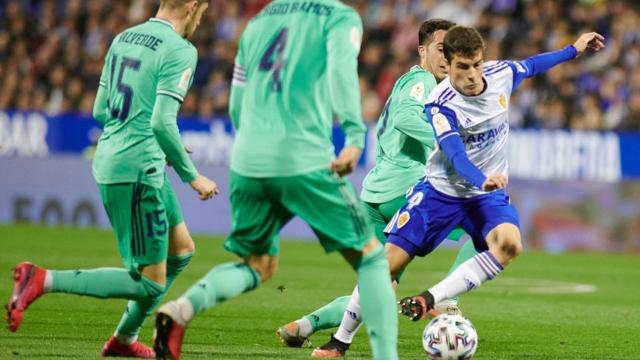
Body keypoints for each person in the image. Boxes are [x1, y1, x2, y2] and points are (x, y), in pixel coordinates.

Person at [153, 1, 398, 360]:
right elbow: (342, 73)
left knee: (257, 265)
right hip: (304, 157)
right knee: (372, 259)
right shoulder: (338, 17)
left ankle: (182, 310)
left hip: (248, 160)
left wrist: (258, 145)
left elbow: (237, 104)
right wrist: (354, 135)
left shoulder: (257, 23)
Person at [5, 1, 217, 358]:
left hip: (123, 156)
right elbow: (162, 122)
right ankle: (41, 279)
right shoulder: (181, 50)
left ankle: (124, 338)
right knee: (150, 283)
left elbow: (100, 109)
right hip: (136, 169)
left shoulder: (124, 37)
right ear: (193, 5)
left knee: (182, 250)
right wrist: (191, 176)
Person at [276, 18, 480, 358]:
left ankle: (307, 325)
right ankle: (446, 301)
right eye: (441, 50)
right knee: (489, 226)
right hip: (406, 189)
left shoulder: (423, 85)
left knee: (378, 290)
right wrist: (450, 144)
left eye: (453, 51)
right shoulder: (420, 81)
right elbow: (404, 117)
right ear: (422, 51)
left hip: (375, 196)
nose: (447, 57)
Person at [390, 26, 604, 320]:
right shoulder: (440, 102)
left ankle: (429, 298)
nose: (473, 74)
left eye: (477, 64)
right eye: (463, 67)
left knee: (510, 244)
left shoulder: (500, 73)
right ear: (449, 65)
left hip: (484, 196)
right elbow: (455, 156)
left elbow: (532, 65)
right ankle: (340, 339)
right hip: (444, 191)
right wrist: (483, 178)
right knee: (385, 266)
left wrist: (574, 49)